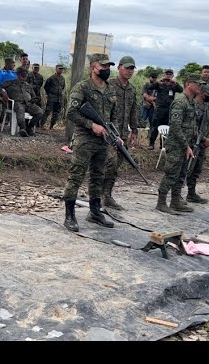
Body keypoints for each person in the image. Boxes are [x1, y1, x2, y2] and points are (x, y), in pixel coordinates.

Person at [62, 53, 119, 232]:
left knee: (98, 176)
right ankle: (69, 215)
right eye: (103, 67)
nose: (106, 71)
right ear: (93, 68)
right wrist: (91, 125)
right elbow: (71, 112)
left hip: (103, 140)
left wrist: (116, 134)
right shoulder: (82, 87)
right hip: (85, 139)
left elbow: (113, 115)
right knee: (76, 175)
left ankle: (95, 211)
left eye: (108, 67)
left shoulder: (110, 89)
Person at [156, 74, 201, 213]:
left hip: (187, 146)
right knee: (171, 174)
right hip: (177, 146)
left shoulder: (191, 102)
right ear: (188, 84)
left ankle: (175, 201)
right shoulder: (180, 102)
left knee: (181, 174)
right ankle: (161, 202)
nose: (200, 86)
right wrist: (186, 146)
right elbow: (175, 127)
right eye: (197, 83)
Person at [101, 55, 139, 210]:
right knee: (109, 164)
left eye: (132, 69)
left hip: (123, 134)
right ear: (119, 68)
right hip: (109, 133)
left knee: (116, 165)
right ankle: (101, 195)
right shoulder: (109, 85)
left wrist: (134, 130)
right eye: (127, 68)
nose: (129, 71)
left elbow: (133, 111)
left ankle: (107, 195)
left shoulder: (132, 89)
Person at [184, 82, 209, 203]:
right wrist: (203, 139)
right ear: (202, 94)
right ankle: (177, 196)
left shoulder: (207, 106)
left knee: (197, 169)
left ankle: (191, 193)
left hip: (202, 143)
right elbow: (192, 126)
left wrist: (208, 138)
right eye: (208, 94)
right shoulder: (193, 105)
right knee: (187, 169)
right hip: (193, 142)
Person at [0, 67, 43, 136]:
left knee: (40, 112)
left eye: (25, 76)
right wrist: (3, 92)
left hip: (29, 104)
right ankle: (22, 128)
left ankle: (29, 127)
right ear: (18, 75)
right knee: (20, 112)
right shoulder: (10, 83)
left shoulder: (28, 86)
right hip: (17, 103)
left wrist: (34, 100)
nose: (23, 77)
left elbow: (34, 96)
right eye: (22, 75)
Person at [150, 68, 182, 150]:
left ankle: (163, 145)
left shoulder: (173, 85)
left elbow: (181, 90)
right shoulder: (160, 84)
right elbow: (151, 87)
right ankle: (151, 144)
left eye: (170, 74)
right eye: (167, 74)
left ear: (172, 75)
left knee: (166, 127)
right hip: (159, 109)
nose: (168, 76)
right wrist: (158, 81)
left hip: (169, 110)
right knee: (155, 127)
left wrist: (175, 83)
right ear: (165, 75)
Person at [40, 64, 66, 129]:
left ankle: (51, 126)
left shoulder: (62, 78)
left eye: (62, 69)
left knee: (56, 112)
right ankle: (42, 125)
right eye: (59, 68)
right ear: (56, 69)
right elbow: (46, 87)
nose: (61, 70)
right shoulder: (51, 78)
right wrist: (50, 94)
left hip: (59, 98)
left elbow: (63, 87)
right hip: (52, 97)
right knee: (47, 111)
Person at [141, 74, 157, 146]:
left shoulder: (157, 86)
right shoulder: (146, 85)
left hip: (152, 108)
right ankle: (139, 138)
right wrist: (152, 100)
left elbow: (157, 97)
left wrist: (151, 99)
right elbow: (144, 95)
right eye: (152, 77)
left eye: (155, 78)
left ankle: (150, 139)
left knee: (152, 123)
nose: (153, 79)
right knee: (141, 121)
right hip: (145, 106)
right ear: (149, 77)